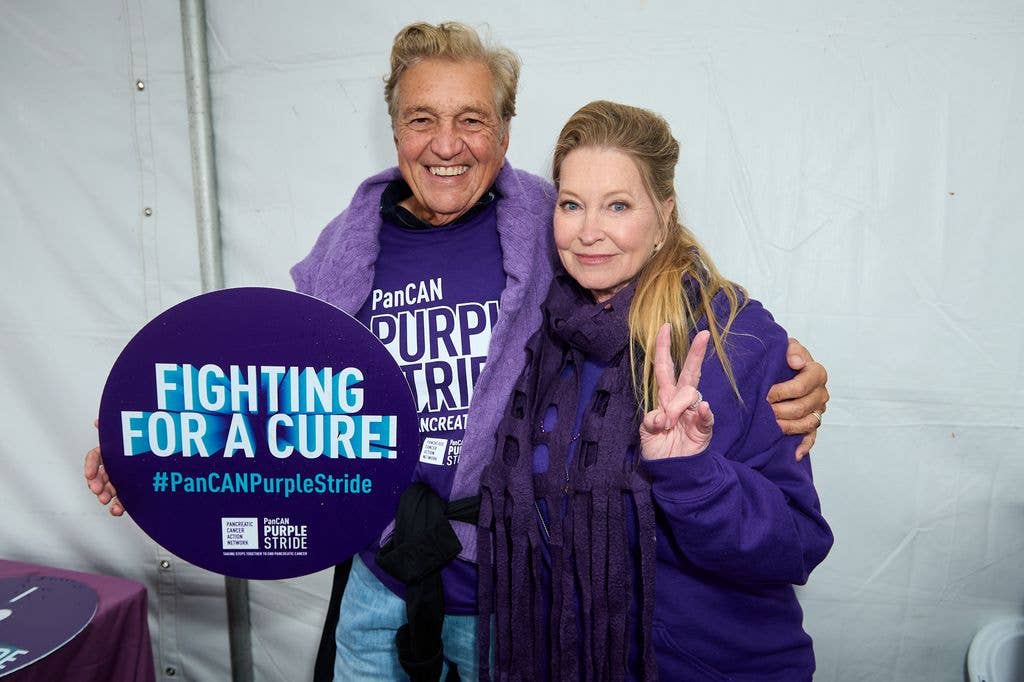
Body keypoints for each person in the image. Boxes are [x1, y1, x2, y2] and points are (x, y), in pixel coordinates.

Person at [84, 23, 830, 681]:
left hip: (512, 586)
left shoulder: (551, 228)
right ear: (396, 130)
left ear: (506, 134)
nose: (446, 144)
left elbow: (664, 294)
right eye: (422, 120)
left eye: (471, 119)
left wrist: (793, 375)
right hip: (380, 570)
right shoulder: (345, 248)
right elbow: (265, 389)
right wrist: (146, 447)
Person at [476, 100, 833, 681]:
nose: (589, 231)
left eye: (618, 205)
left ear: (664, 215)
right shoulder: (547, 335)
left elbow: (797, 542)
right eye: (572, 205)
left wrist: (693, 474)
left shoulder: (732, 338)